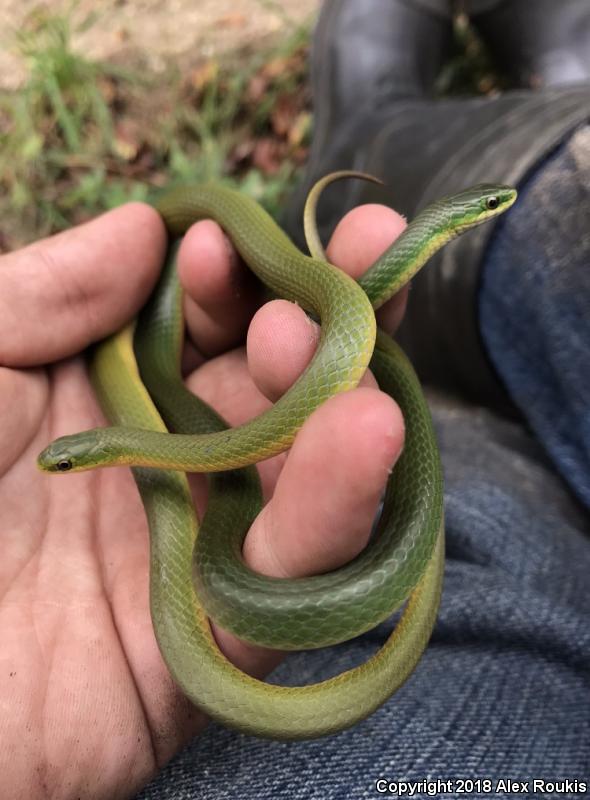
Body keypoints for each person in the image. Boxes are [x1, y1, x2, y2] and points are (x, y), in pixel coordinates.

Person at [1, 2, 588, 799]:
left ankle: (389, 129)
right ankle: (539, 111)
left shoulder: (195, 418)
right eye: (70, 465)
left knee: (475, 466)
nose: (67, 465)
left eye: (73, 458)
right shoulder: (158, 446)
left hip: (359, 341)